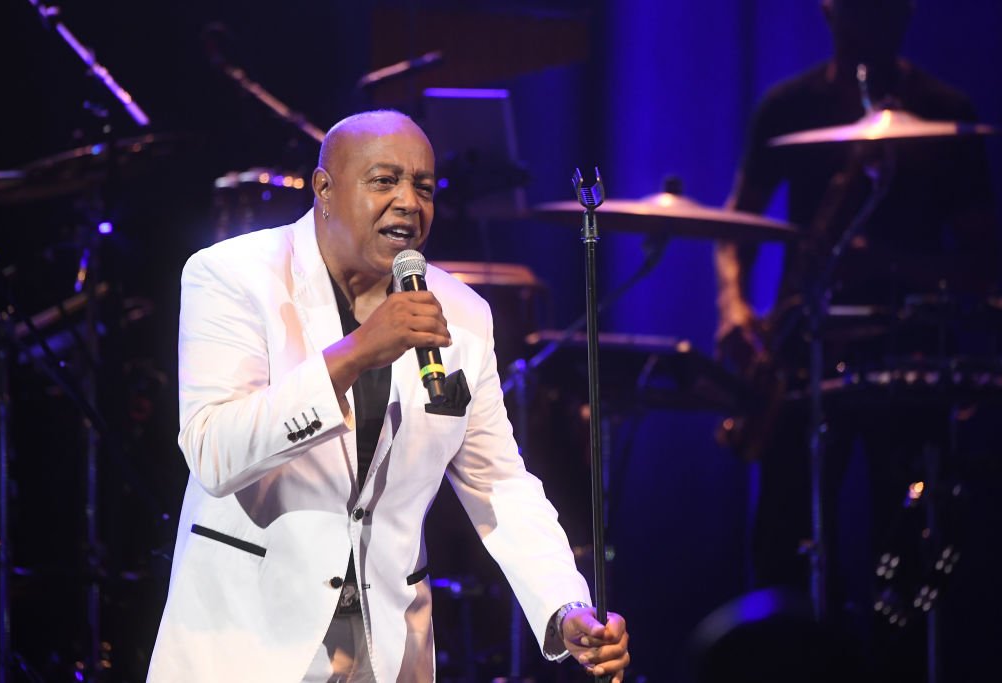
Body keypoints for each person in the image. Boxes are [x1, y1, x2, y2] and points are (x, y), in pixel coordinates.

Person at [148, 110, 629, 682]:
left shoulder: (464, 315)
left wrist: (564, 605)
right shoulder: (232, 276)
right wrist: (355, 353)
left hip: (387, 650)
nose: (408, 201)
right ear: (324, 188)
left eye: (423, 187)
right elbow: (213, 453)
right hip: (245, 642)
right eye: (384, 181)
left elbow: (498, 482)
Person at [715, 0, 997, 678]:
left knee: (902, 550)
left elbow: (986, 257)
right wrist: (732, 304)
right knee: (781, 545)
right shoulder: (787, 106)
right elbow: (737, 222)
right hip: (803, 350)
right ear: (827, 10)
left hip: (905, 353)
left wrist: (893, 266)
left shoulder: (940, 108)